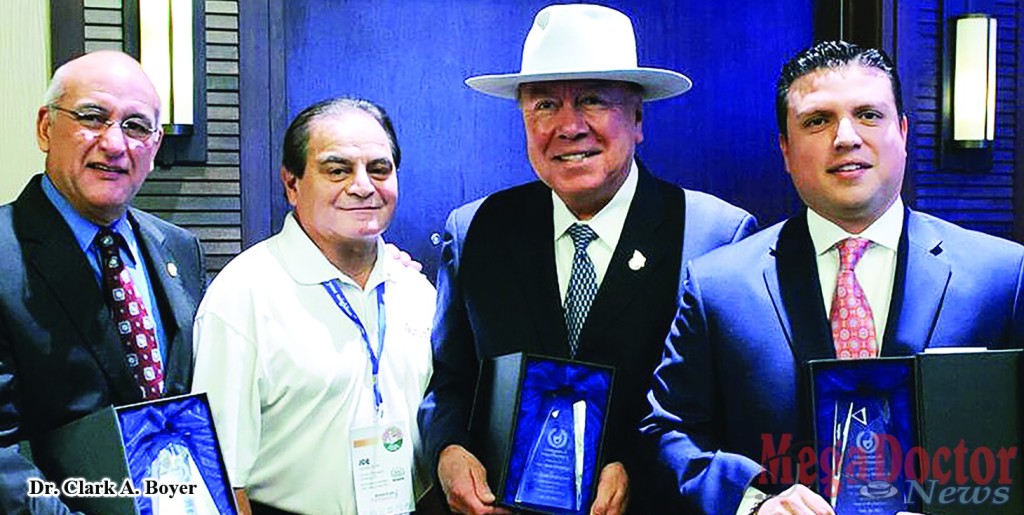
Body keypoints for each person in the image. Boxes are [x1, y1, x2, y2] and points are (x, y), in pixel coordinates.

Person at [641, 40, 1024, 514]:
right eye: (817, 121)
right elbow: (667, 432)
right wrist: (753, 504)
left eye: (869, 114)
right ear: (784, 148)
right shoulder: (719, 286)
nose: (845, 137)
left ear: (903, 133)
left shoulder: (1002, 277)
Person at [417, 4, 757, 514]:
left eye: (593, 101)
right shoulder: (477, 229)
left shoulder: (713, 236)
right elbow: (449, 383)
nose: (568, 126)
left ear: (638, 116)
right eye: (544, 105)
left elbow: (726, 416)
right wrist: (448, 451)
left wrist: (638, 467)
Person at [191, 98, 436, 515]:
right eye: (337, 170)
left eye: (379, 169)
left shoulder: (415, 289)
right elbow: (217, 473)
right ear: (292, 184)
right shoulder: (244, 294)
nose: (362, 186)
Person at [0, 50, 207, 512]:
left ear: (154, 148)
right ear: (45, 128)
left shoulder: (179, 250)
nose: (114, 144)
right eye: (92, 117)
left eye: (135, 126)